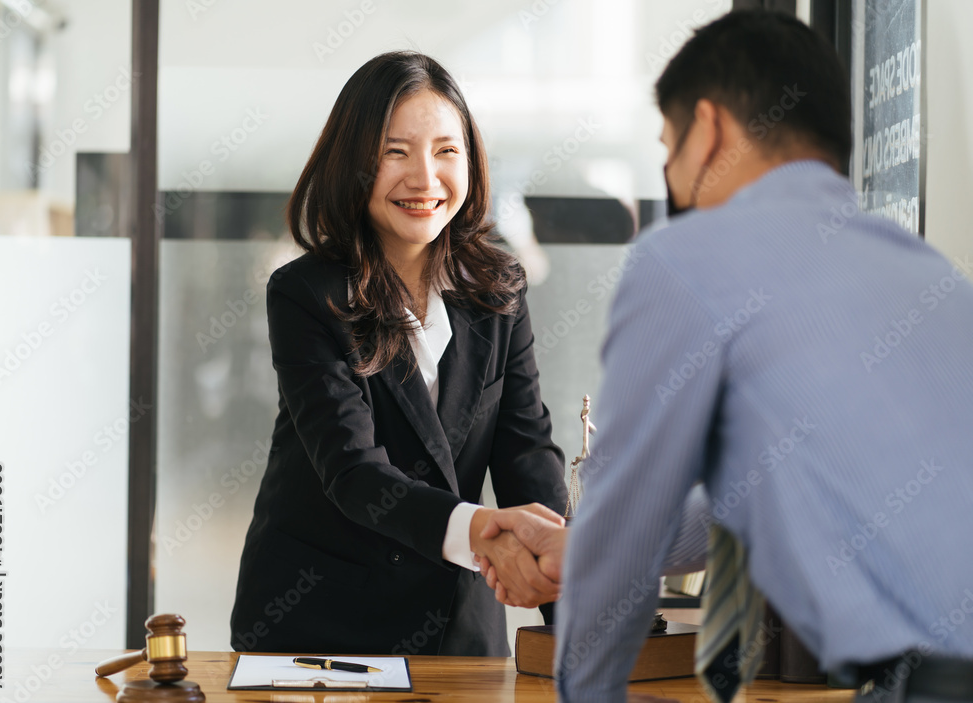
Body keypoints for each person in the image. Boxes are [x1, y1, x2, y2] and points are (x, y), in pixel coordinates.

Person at [482, 10, 973, 703]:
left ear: (708, 129)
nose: (672, 181)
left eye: (667, 148)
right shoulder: (932, 279)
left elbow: (630, 523)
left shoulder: (686, 260)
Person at [229, 51, 567, 657]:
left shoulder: (500, 289)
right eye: (394, 152)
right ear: (354, 164)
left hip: (457, 626)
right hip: (322, 626)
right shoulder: (306, 293)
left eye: (445, 150)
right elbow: (355, 472)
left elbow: (526, 452)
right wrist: (484, 532)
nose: (424, 178)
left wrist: (571, 600)